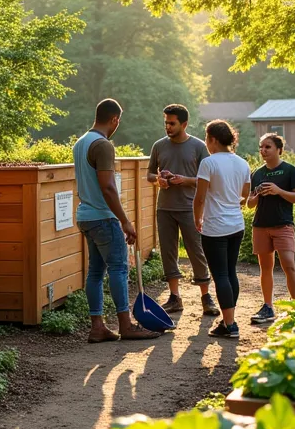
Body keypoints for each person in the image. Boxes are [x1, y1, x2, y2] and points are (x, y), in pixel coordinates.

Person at [74, 99, 161, 343]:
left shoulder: (81, 143)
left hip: (85, 216)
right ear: (115, 120)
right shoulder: (103, 145)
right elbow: (108, 188)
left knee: (95, 272)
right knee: (119, 268)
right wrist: (125, 221)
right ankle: (126, 325)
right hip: (103, 217)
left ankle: (97, 327)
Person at [147, 104, 222, 316]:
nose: (168, 127)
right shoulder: (159, 146)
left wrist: (185, 180)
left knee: (197, 252)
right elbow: (150, 175)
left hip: (190, 208)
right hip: (164, 208)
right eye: (166, 123)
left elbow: (209, 178)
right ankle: (174, 298)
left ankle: (206, 297)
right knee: (168, 253)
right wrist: (159, 180)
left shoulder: (198, 147)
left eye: (172, 123)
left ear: (184, 124)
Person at [193, 120, 251, 338]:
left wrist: (197, 219)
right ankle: (229, 320)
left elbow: (199, 198)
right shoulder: (243, 163)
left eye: (207, 139)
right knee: (230, 272)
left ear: (213, 139)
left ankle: (230, 325)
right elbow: (244, 196)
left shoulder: (209, 163)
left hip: (215, 226)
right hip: (236, 225)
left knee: (220, 275)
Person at [246, 133, 295, 324]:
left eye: (267, 147)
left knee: (289, 265)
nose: (263, 150)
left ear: (279, 149)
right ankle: (268, 307)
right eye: (261, 147)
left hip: (283, 225)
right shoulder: (257, 173)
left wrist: (278, 191)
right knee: (265, 268)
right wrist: (257, 195)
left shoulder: (289, 170)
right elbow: (250, 204)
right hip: (261, 226)